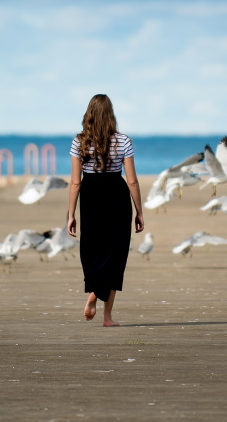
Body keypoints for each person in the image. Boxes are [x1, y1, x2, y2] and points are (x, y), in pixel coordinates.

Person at [66, 94, 144, 327]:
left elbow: (75, 182)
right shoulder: (123, 141)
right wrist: (139, 211)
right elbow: (132, 181)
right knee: (116, 254)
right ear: (111, 115)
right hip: (116, 196)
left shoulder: (79, 141)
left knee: (92, 250)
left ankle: (93, 291)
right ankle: (107, 317)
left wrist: (70, 215)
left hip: (90, 195)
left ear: (88, 114)